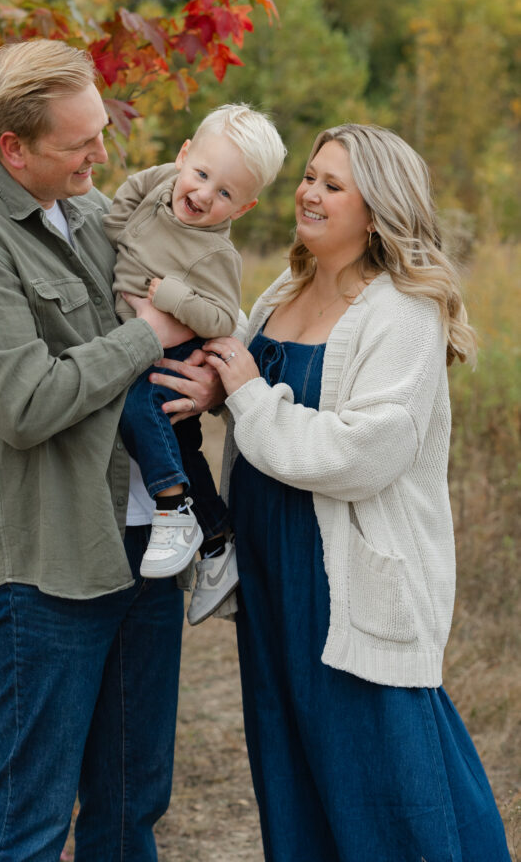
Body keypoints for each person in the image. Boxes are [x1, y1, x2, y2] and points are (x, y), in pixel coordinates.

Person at [0, 38, 219, 862]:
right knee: (34, 815)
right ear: (13, 147)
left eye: (100, 132)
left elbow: (167, 317)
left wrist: (208, 381)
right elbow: (26, 403)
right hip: (48, 565)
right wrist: (147, 335)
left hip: (146, 544)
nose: (100, 154)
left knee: (131, 800)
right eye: (79, 144)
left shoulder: (90, 210)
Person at [200, 125, 511, 861]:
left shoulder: (400, 311)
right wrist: (213, 389)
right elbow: (255, 403)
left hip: (347, 574)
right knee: (290, 758)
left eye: (330, 185)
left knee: (385, 771)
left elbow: (359, 454)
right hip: (273, 566)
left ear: (375, 211)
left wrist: (244, 394)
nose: (306, 192)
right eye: (308, 177)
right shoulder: (283, 291)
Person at [103, 105, 286, 624]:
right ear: (184, 156)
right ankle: (216, 546)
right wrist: (115, 226)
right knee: (178, 442)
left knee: (140, 408)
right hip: (138, 335)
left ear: (244, 207)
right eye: (201, 175)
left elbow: (223, 315)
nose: (204, 194)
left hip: (174, 347)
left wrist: (174, 296)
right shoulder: (161, 185)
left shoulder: (215, 254)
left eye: (225, 193)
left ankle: (174, 509)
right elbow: (131, 195)